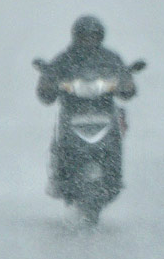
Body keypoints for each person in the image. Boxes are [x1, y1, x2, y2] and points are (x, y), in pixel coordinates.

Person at [36, 15, 139, 195]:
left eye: (93, 36)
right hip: (72, 109)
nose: (89, 41)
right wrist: (48, 82)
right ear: (76, 36)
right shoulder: (65, 58)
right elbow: (47, 88)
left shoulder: (110, 58)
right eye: (85, 37)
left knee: (116, 133)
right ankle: (60, 175)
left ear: (100, 37)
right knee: (62, 141)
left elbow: (125, 84)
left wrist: (126, 82)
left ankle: (114, 175)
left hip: (104, 108)